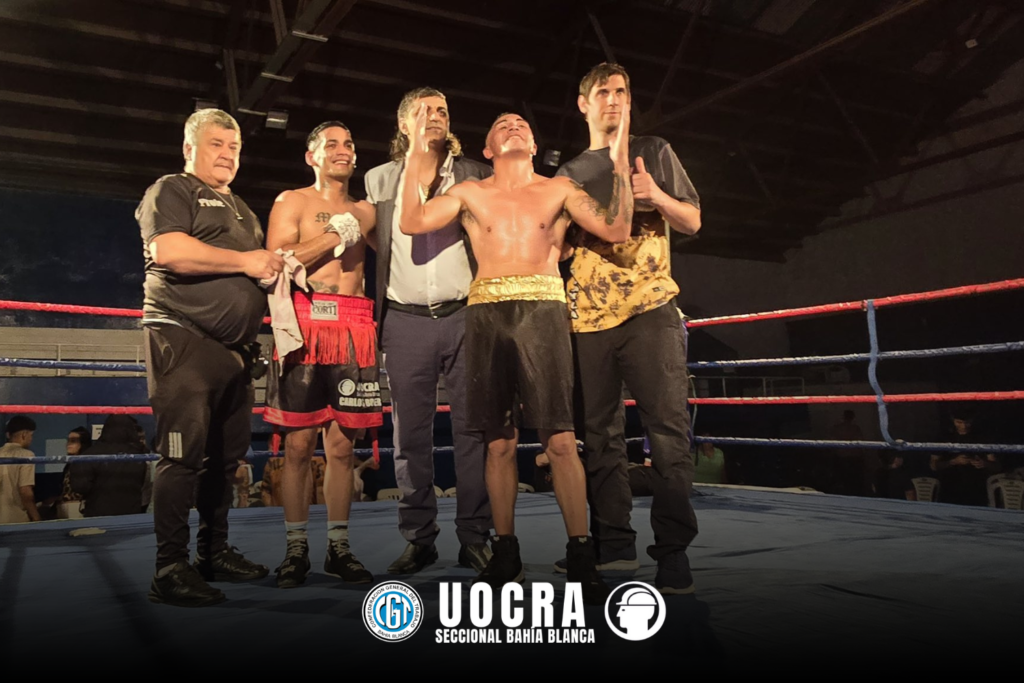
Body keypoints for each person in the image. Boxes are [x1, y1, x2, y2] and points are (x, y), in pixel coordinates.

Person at [398, 104, 634, 603]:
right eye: (501, 124)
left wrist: (620, 165)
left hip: (544, 308)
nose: (513, 125)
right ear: (487, 149)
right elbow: (413, 221)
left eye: (522, 124)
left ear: (533, 145)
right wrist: (418, 147)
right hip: (486, 311)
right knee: (498, 443)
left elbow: (616, 230)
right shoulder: (469, 192)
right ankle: (505, 550)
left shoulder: (560, 188)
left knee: (562, 441)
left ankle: (581, 550)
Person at [553, 62, 701, 595]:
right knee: (600, 438)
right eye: (602, 92)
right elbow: (558, 249)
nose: (613, 99)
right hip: (589, 316)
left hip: (652, 309)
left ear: (630, 100)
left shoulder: (654, 151)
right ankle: (614, 546)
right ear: (584, 104)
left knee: (668, 433)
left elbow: (693, 220)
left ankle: (673, 552)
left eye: (621, 91)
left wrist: (655, 196)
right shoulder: (569, 172)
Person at [137, 108, 282, 607]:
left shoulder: (243, 210)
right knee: (181, 457)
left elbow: (259, 270)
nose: (226, 154)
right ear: (190, 148)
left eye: (234, 147)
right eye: (216, 144)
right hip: (184, 338)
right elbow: (169, 250)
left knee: (225, 461)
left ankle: (213, 552)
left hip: (235, 352)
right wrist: (247, 260)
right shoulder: (172, 189)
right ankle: (169, 567)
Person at [364, 87, 494, 575]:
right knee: (409, 437)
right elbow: (377, 238)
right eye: (422, 111)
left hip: (466, 315)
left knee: (473, 430)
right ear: (403, 124)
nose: (434, 116)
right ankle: (418, 538)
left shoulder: (474, 174)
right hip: (404, 319)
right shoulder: (379, 178)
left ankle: (475, 535)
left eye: (441, 110)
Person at [262, 121, 381, 588]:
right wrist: (336, 234)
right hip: (304, 319)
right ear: (312, 156)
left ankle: (338, 546)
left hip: (354, 324)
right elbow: (277, 261)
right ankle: (295, 548)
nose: (342, 150)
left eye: (348, 143)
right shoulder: (292, 201)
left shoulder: (366, 209)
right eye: (331, 144)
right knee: (297, 445)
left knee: (342, 447)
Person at [68, 415, 149, 517]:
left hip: (98, 514)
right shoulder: (139, 456)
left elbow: (80, 486)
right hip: (131, 515)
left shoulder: (91, 454)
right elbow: (145, 484)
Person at [0, 416, 41, 523]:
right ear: (24, 435)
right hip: (16, 518)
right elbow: (25, 491)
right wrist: (36, 518)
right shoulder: (26, 455)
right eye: (31, 435)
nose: (31, 439)